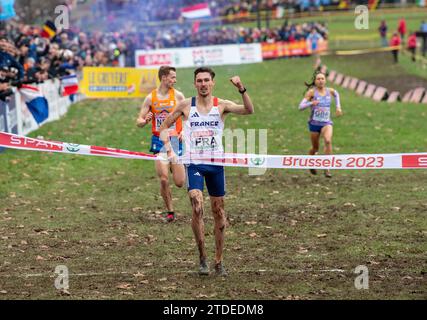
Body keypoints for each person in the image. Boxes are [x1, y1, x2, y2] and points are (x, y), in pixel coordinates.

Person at [159, 67, 254, 276]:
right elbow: (164, 127)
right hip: (194, 163)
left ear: (212, 83)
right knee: (197, 205)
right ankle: (202, 257)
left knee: (219, 212)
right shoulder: (186, 106)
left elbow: (249, 110)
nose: (203, 84)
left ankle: (218, 261)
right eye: (199, 81)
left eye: (206, 80)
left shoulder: (222, 105)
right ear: (195, 84)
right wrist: (170, 152)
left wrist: (241, 88)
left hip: (216, 164)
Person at [136, 66, 185, 222]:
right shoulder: (150, 98)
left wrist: (184, 131)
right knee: (163, 179)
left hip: (175, 141)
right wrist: (145, 121)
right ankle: (170, 210)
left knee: (179, 182)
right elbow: (139, 121)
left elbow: (189, 115)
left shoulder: (178, 95)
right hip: (158, 141)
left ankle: (176, 167)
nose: (175, 80)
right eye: (172, 77)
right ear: (164, 77)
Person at [299, 71, 343, 178]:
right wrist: (311, 103)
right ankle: (310, 163)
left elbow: (336, 94)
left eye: (322, 78)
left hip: (326, 123)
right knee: (315, 148)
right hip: (314, 124)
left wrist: (338, 107)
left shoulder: (330, 91)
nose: (320, 80)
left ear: (325, 80)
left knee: (328, 140)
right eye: (318, 79)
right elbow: (300, 107)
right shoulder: (311, 93)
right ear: (315, 81)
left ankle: (327, 167)